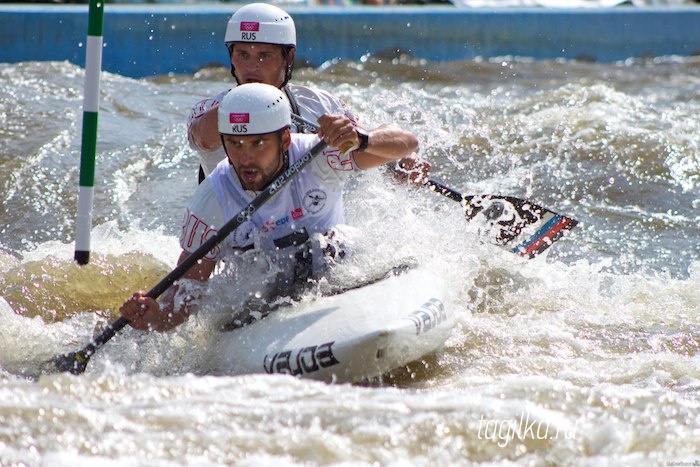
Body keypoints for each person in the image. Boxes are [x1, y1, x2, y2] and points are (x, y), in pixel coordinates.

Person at [120, 83, 419, 332]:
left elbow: (407, 142)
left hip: (338, 273)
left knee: (331, 245)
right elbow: (187, 294)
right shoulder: (210, 201)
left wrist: (362, 139)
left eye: (258, 144)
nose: (245, 159)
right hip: (266, 301)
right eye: (235, 144)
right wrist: (155, 317)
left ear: (285, 139)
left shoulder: (319, 157)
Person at [187, 2, 427, 185]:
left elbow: (372, 142)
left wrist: (398, 163)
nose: (252, 67)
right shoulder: (209, 110)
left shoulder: (321, 104)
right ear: (231, 57)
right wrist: (248, 102)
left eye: (264, 55)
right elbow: (202, 136)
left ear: (288, 57)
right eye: (243, 55)